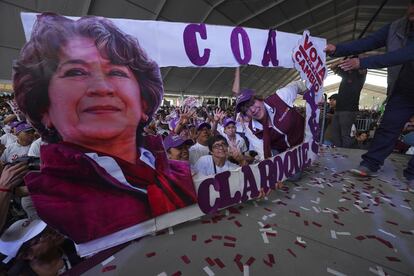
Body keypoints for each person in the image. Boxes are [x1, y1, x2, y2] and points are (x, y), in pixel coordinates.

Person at [13, 13, 197, 244]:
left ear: (144, 104)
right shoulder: (53, 212)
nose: (101, 88)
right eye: (76, 72)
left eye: (117, 72)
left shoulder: (181, 174)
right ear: (43, 108)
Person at [325, 0, 414, 190]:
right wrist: (338, 49)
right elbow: (368, 42)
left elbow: (402, 55)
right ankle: (370, 164)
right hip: (404, 89)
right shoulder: (397, 27)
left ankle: (413, 174)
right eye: (412, 8)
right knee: (389, 125)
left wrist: (362, 63)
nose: (412, 13)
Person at [235, 79, 307, 159]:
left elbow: (296, 85)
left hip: (311, 139)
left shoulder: (279, 98)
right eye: (246, 109)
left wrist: (312, 95)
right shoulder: (252, 131)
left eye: (252, 103)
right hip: (292, 157)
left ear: (258, 98)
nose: (252, 110)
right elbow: (263, 154)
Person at [330, 61, 367, 148]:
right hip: (339, 109)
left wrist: (357, 61)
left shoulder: (359, 75)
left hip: (349, 110)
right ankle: (338, 153)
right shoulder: (345, 74)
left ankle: (346, 154)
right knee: (335, 134)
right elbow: (332, 66)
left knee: (346, 135)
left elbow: (364, 69)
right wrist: (342, 60)